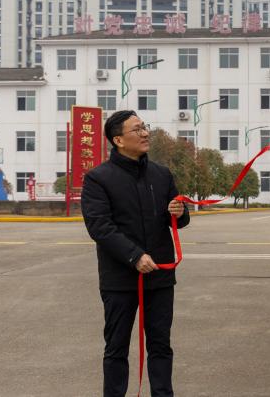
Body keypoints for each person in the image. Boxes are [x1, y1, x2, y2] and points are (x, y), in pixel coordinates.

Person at [82, 110, 190, 397]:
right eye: (137, 129)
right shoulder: (97, 179)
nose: (145, 133)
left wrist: (179, 212)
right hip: (120, 279)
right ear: (118, 139)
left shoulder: (161, 174)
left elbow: (178, 220)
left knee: (160, 345)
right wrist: (134, 256)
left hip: (160, 275)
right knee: (116, 348)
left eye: (145, 127)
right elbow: (100, 227)